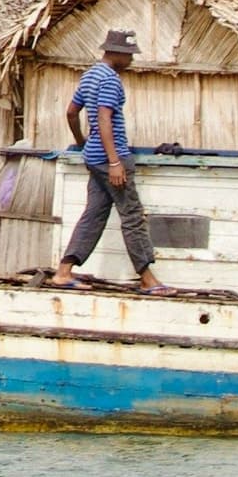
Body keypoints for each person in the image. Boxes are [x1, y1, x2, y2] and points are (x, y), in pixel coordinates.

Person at [53, 29, 164, 292]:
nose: (132, 60)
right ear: (116, 53)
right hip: (110, 159)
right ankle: (148, 279)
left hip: (94, 157)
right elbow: (104, 119)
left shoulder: (90, 75)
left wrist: (82, 142)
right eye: (129, 55)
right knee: (132, 216)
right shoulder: (111, 80)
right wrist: (114, 162)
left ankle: (63, 272)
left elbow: (71, 113)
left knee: (93, 214)